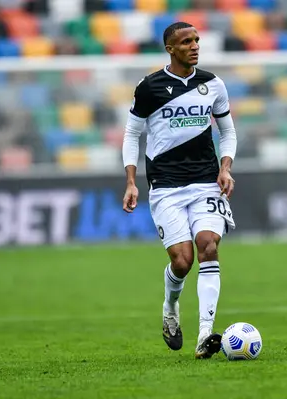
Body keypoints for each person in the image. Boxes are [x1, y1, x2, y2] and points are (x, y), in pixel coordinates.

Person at [121, 22, 238, 359]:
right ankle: (170, 306)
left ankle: (205, 334)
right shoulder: (149, 87)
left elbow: (228, 132)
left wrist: (226, 167)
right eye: (186, 41)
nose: (194, 45)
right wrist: (131, 180)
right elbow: (131, 135)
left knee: (208, 246)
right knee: (183, 261)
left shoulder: (213, 84)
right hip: (166, 187)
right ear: (170, 49)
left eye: (197, 40)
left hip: (206, 182)